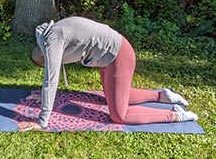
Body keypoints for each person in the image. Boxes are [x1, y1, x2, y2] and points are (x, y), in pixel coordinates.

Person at [19, 16, 198, 131]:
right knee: (111, 97)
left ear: (44, 54)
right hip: (110, 56)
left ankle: (176, 114)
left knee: (120, 116)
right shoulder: (49, 33)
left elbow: (51, 79)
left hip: (119, 56)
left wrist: (41, 122)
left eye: (46, 63)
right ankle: (163, 96)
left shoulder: (53, 42)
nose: (51, 63)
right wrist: (45, 97)